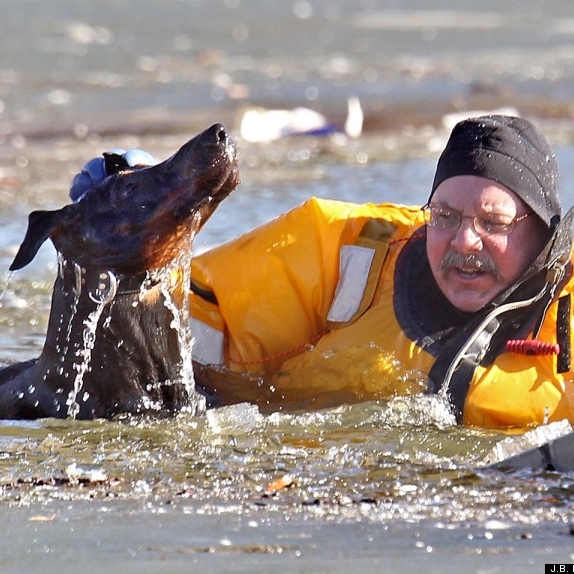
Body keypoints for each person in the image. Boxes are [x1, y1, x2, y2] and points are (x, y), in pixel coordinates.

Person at [71, 115, 574, 429]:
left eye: (493, 222)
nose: (464, 241)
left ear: (545, 232)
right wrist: (129, 234)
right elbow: (183, 318)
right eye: (444, 216)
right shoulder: (343, 246)